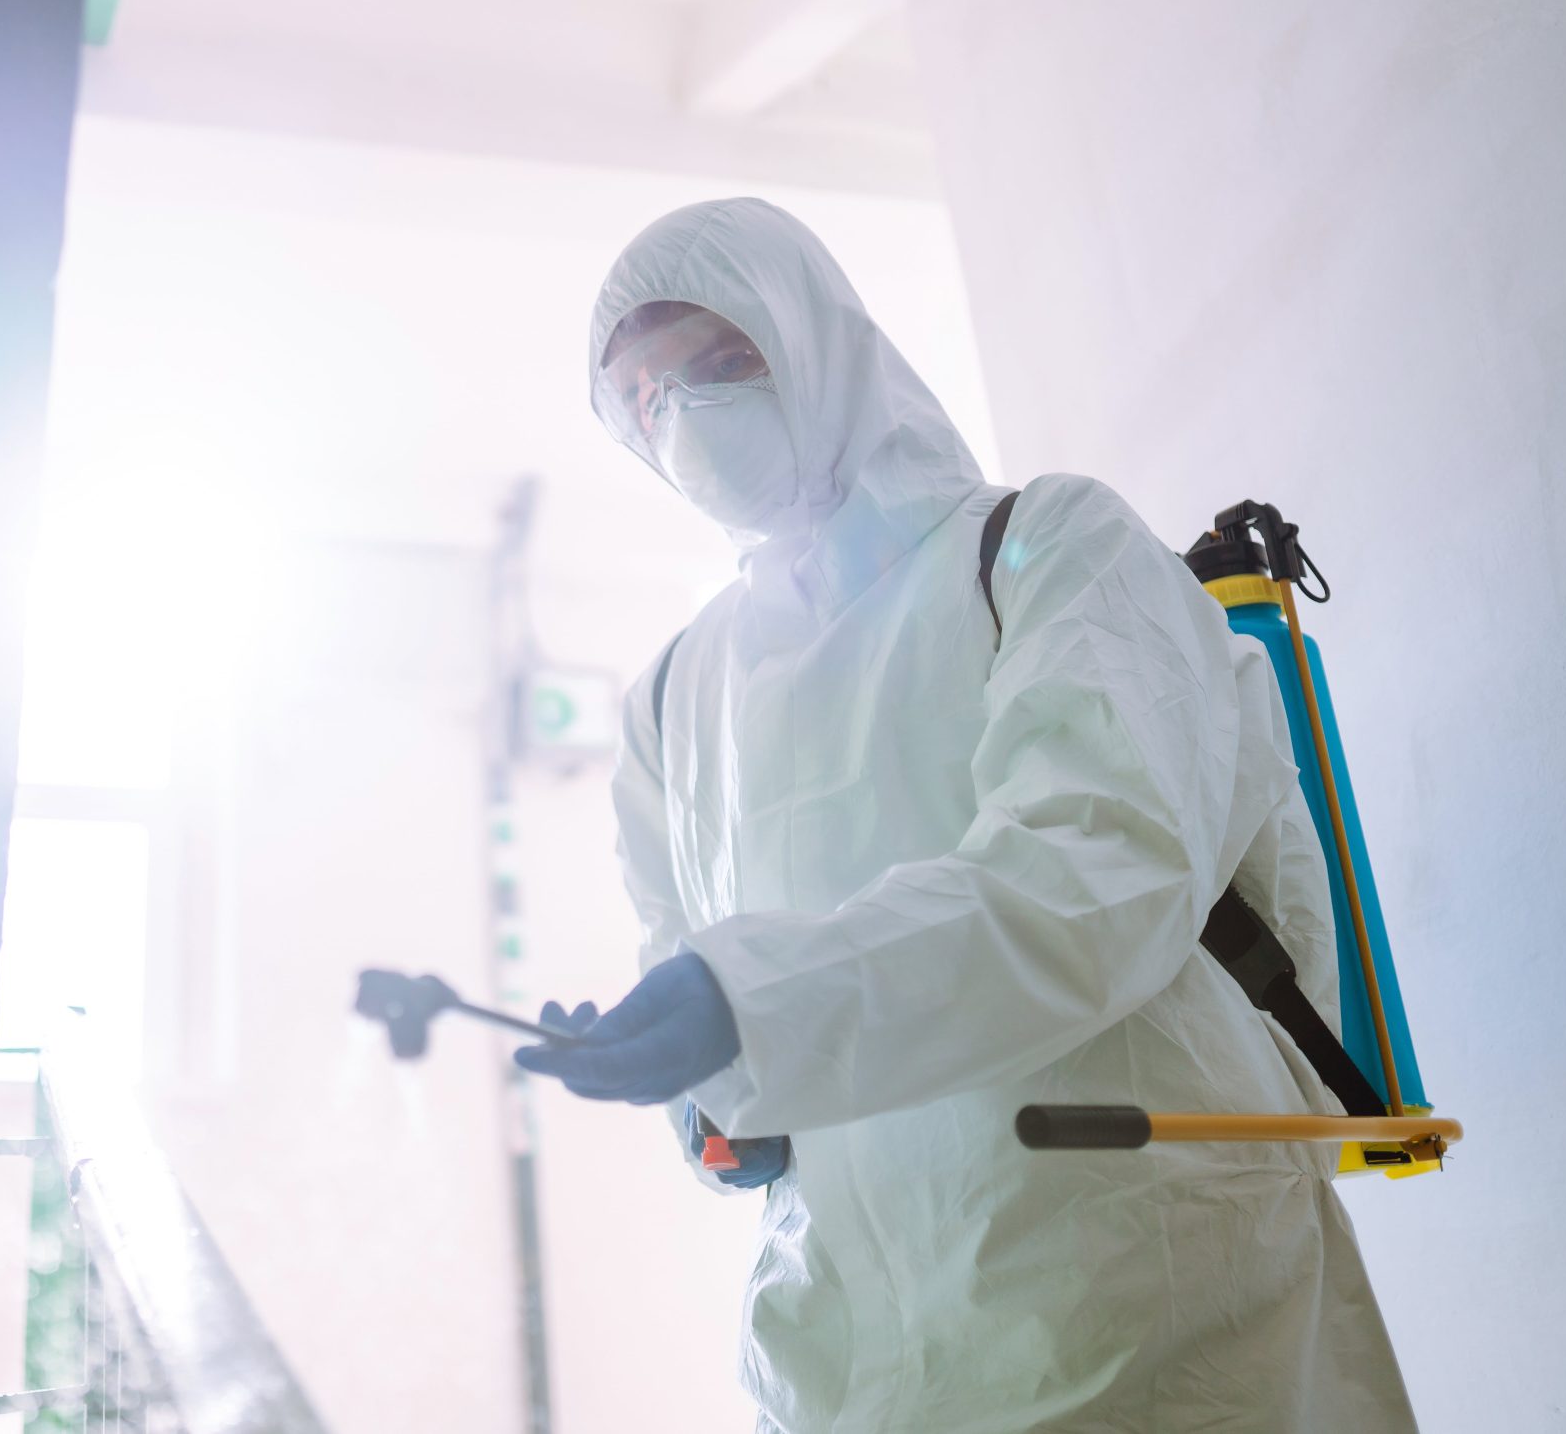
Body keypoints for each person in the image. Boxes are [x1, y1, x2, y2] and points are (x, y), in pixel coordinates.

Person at [514, 199, 1415, 1432]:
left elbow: (1094, 878)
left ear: (819, 335)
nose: (688, 418)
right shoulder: (672, 701)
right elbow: (699, 977)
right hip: (849, 1352)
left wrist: (746, 1005)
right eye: (648, 401)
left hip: (1144, 1299)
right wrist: (704, 1101)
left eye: (721, 363)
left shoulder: (1046, 545)